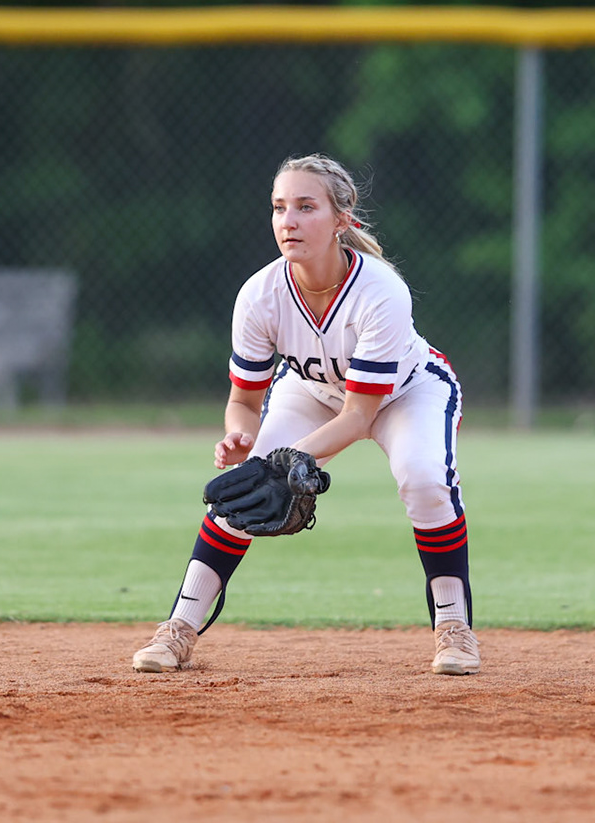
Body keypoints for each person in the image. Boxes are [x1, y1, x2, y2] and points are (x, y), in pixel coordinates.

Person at [131, 154, 479, 675]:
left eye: (305, 207)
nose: (287, 221)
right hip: (311, 391)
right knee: (242, 494)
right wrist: (241, 439)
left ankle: (454, 630)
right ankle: (177, 630)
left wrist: (277, 464)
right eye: (278, 208)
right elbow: (244, 400)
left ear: (342, 218)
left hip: (407, 393)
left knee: (425, 479)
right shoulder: (260, 294)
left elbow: (361, 415)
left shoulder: (380, 291)